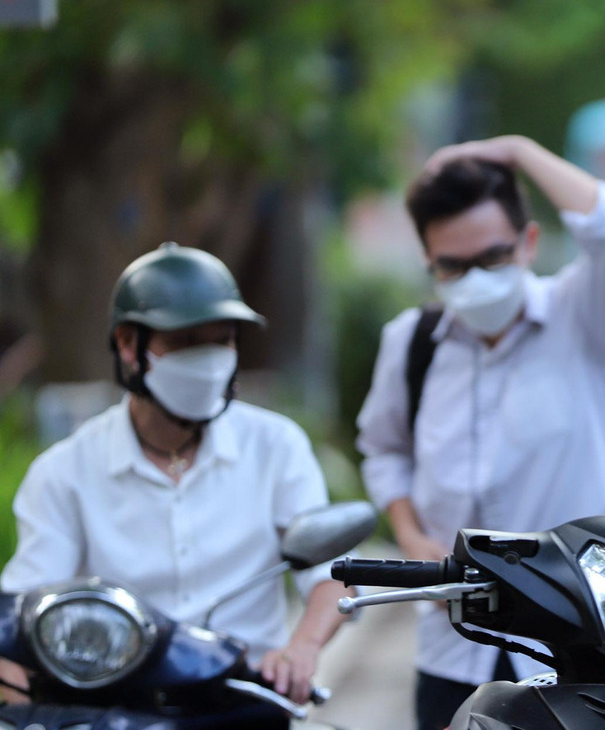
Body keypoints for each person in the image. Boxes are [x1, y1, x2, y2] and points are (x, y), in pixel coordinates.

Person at [356, 134, 605, 730]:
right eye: (452, 266)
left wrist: (515, 151)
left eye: (491, 257)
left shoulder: (579, 315)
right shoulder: (411, 343)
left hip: (574, 640)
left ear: (528, 242)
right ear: (429, 263)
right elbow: (383, 450)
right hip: (451, 643)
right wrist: (412, 539)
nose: (474, 279)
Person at [0, 243, 353, 714]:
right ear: (129, 345)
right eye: (186, 341)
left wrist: (301, 649)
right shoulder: (65, 472)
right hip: (116, 707)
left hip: (246, 698)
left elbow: (334, 576)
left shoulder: (276, 446)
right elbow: (23, 616)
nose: (208, 360)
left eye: (222, 340)